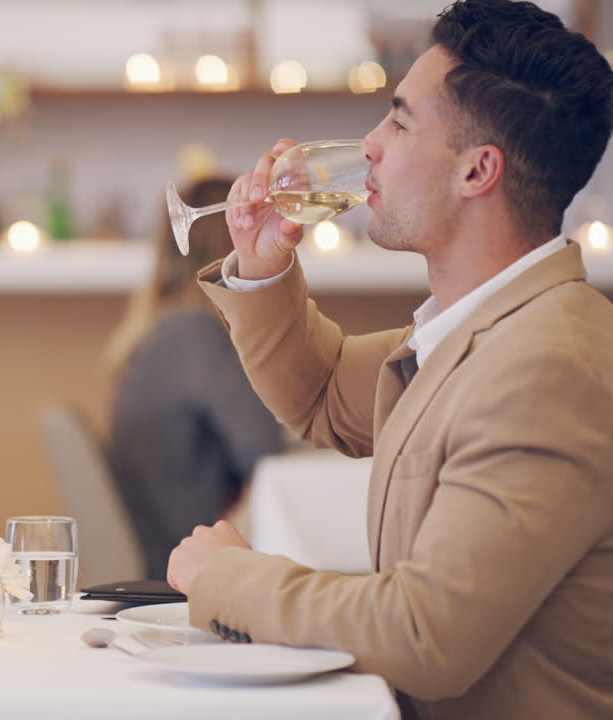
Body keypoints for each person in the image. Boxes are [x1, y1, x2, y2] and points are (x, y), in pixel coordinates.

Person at [166, 2, 613, 718]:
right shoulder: (489, 332)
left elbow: (423, 633)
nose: (370, 144)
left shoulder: (548, 366)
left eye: (400, 121)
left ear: (478, 172)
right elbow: (321, 396)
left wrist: (232, 579)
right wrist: (262, 264)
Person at [104, 178, 283, 579]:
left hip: (170, 545)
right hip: (190, 557)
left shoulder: (158, 329)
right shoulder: (193, 335)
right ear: (233, 241)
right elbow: (266, 450)